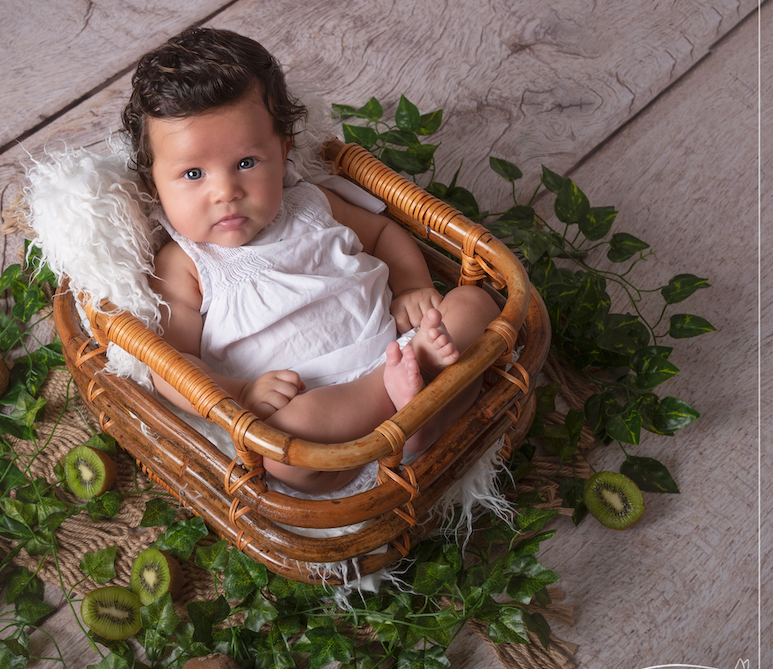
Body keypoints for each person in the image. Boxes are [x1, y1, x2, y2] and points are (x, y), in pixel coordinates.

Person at [121, 27, 500, 494]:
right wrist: (239, 394)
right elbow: (171, 366)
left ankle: (417, 420)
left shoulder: (311, 202)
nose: (225, 192)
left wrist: (410, 286)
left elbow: (382, 231)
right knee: (284, 444)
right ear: (154, 182)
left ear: (282, 153)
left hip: (399, 342)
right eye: (193, 173)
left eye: (245, 162)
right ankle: (413, 410)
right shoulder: (184, 263)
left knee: (475, 304)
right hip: (320, 403)